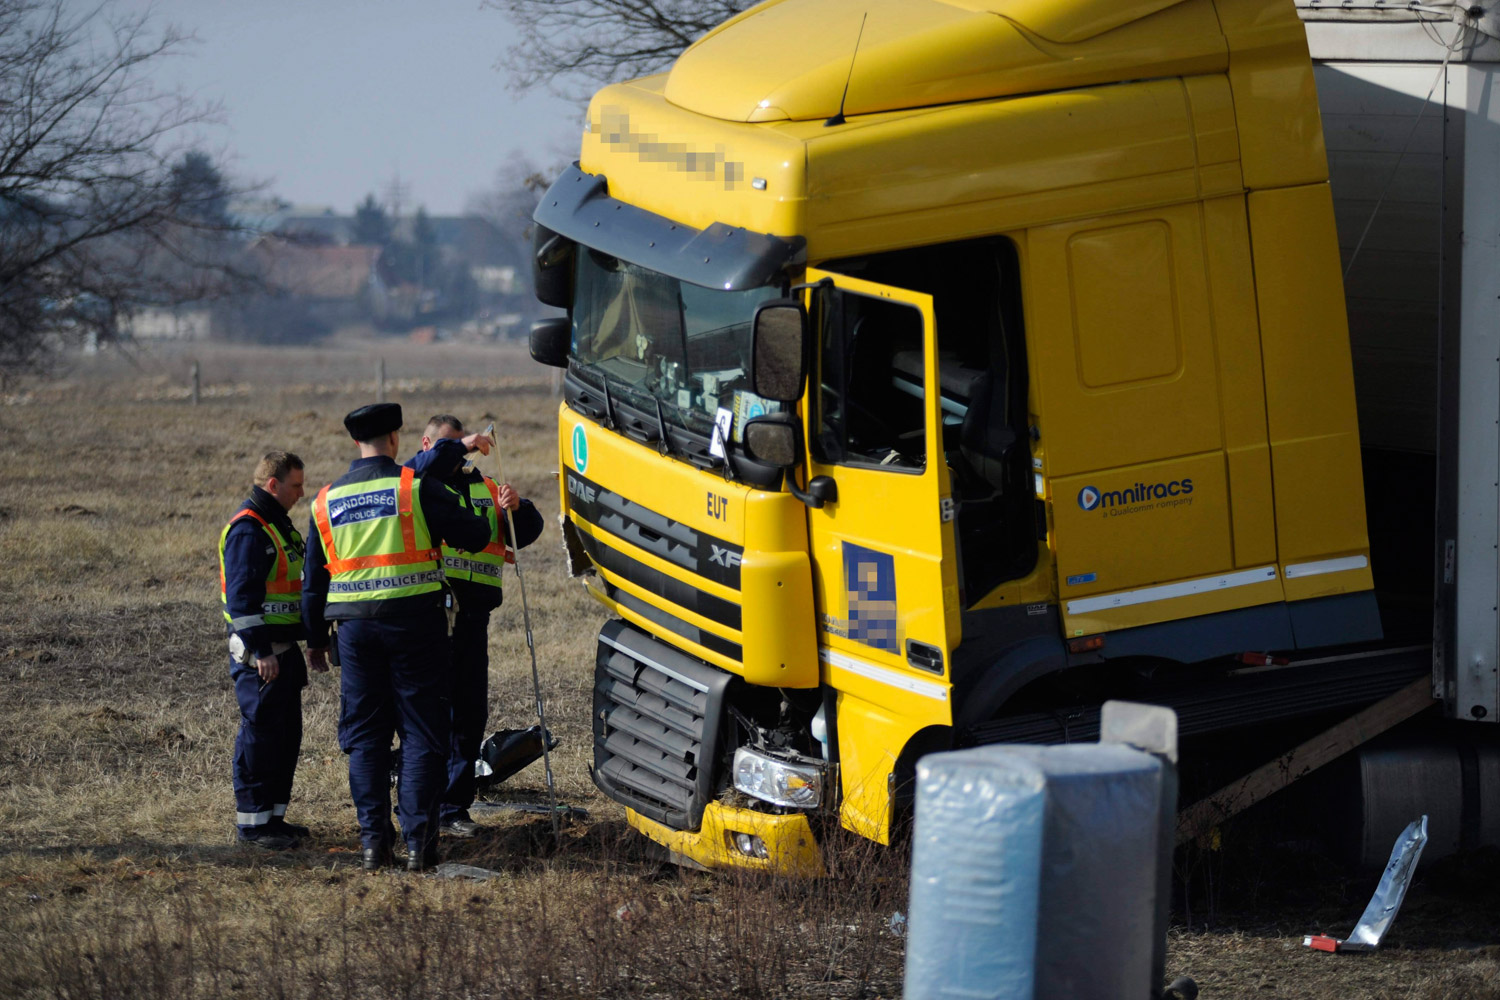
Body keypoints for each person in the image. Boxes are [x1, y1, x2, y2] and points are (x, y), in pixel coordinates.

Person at [301, 403, 492, 872]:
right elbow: (472, 532)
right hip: (416, 625)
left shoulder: (324, 500)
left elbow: (313, 580)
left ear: (355, 444)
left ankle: (372, 846)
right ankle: (418, 846)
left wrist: (316, 640)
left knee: (365, 739)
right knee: (423, 735)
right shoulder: (413, 487)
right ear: (395, 439)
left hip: (354, 633)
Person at [407, 414, 543, 838]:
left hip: (474, 617)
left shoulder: (485, 487)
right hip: (431, 615)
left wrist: (519, 509)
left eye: (462, 446)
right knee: (432, 713)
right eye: (449, 446)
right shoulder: (417, 485)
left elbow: (526, 532)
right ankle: (423, 802)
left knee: (470, 711)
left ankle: (453, 806)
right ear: (428, 445)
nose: (460, 454)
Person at [218, 450, 325, 850]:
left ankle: (273, 820)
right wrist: (261, 650)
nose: (302, 492)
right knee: (260, 742)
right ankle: (252, 827)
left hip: (284, 653)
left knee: (284, 740)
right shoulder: (249, 530)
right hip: (262, 658)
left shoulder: (278, 525)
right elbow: (242, 602)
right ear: (273, 485)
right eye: (296, 485)